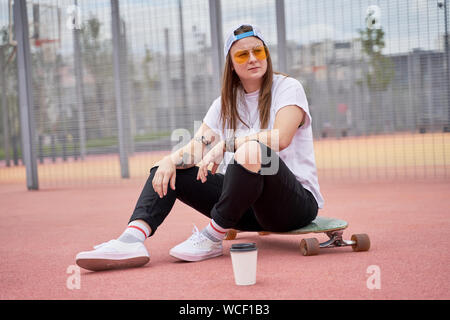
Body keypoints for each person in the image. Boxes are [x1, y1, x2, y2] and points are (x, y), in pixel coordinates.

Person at [75, 23, 324, 271]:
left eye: (258, 51)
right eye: (242, 54)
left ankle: (213, 238)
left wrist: (226, 144)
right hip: (245, 210)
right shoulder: (224, 104)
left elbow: (281, 138)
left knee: (251, 151)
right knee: (168, 168)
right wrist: (170, 160)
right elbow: (195, 149)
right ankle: (131, 239)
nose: (252, 59)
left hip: (291, 206)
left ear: (266, 54)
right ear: (231, 64)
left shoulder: (288, 88)